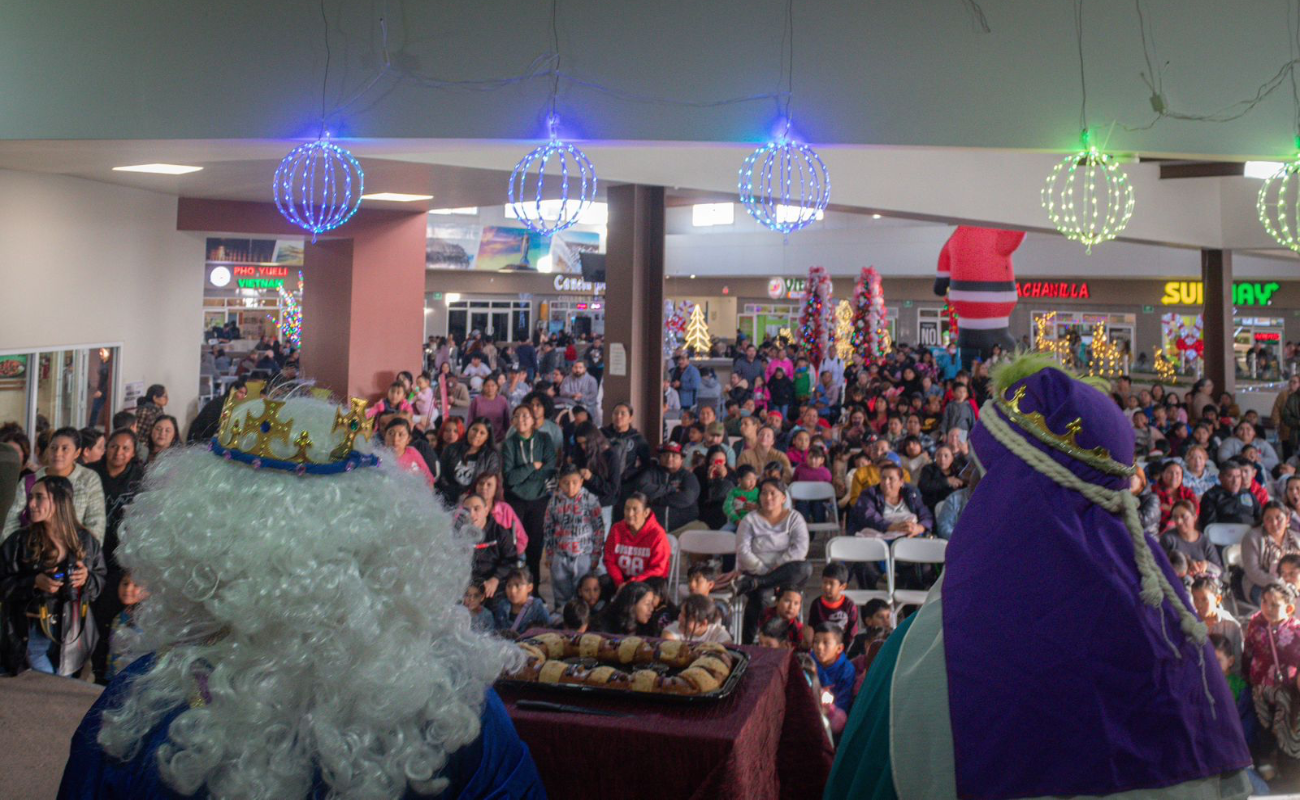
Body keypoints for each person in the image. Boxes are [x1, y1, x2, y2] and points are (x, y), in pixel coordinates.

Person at [828, 355, 1250, 799]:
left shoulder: (922, 659)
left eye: (979, 465)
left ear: (1013, 488)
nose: (965, 475)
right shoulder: (1178, 644)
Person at [0, 474, 106, 677]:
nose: (31, 504)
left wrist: (86, 579)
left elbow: (100, 582)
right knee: (43, 687)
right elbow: (2, 583)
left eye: (39, 497)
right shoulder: (19, 541)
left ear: (59, 500)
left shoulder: (86, 541)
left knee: (57, 691)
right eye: (30, 497)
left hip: (70, 634)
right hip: (29, 632)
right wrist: (33, 582)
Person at [733, 479, 811, 643]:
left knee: (805, 567)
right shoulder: (750, 520)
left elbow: (800, 549)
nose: (768, 497)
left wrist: (775, 569)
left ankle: (756, 582)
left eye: (773, 493)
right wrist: (763, 571)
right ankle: (749, 645)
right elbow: (743, 551)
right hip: (755, 570)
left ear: (783, 498)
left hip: (784, 575)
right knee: (760, 596)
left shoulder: (794, 518)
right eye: (764, 493)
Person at [3, 426, 106, 542]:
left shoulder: (88, 480)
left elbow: (96, 523)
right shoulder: (31, 481)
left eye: (65, 449)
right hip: (33, 552)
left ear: (77, 453)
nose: (57, 453)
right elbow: (11, 521)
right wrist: (17, 550)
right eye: (53, 448)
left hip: (74, 553)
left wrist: (82, 554)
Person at [1246, 582, 1300, 773]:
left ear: (1289, 608)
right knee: (1264, 725)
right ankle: (1266, 763)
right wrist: (1249, 678)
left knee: (1286, 726)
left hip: (1288, 692)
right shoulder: (1255, 624)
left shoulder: (1296, 631)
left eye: (1275, 605)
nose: (1268, 608)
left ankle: (1288, 765)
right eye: (1264, 601)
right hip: (1261, 687)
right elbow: (1248, 652)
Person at [503, 404, 557, 586]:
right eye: (517, 416)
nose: (521, 420)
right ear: (512, 422)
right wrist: (532, 466)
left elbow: (549, 467)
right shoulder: (509, 444)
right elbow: (510, 478)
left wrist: (524, 475)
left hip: (539, 498)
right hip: (515, 498)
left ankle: (533, 588)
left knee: (535, 545)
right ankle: (514, 586)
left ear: (534, 420)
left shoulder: (545, 439)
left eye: (525, 416)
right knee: (515, 544)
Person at [543, 467, 605, 610]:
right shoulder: (554, 501)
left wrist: (596, 555)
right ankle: (562, 617)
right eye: (565, 483)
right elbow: (548, 528)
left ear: (581, 482)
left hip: (583, 556)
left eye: (574, 482)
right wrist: (550, 554)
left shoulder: (590, 500)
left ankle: (582, 619)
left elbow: (599, 529)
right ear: (559, 483)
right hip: (560, 556)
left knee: (583, 591)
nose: (570, 487)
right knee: (560, 591)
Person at [625, 442, 700, 532]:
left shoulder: (688, 476)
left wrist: (655, 499)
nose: (669, 458)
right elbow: (642, 488)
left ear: (682, 459)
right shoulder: (651, 472)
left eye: (674, 456)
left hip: (683, 528)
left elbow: (686, 498)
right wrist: (671, 489)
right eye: (665, 455)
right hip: (653, 529)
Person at [603, 493, 670, 587]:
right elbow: (609, 560)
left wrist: (631, 584)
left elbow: (658, 569)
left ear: (646, 512)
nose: (630, 514)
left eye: (635, 510)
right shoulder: (616, 529)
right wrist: (620, 582)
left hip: (647, 580)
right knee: (601, 582)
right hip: (621, 579)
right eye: (627, 509)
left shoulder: (658, 534)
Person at [1242, 500, 1300, 605]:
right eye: (1268, 519)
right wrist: (1279, 582)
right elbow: (1253, 572)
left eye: (1279, 518)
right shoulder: (1252, 538)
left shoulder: (1296, 539)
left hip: (1294, 583)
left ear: (1287, 519)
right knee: (1278, 604)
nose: (1274, 523)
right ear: (1263, 520)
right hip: (1261, 585)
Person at [435, 419, 502, 506]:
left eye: (482, 433)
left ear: (487, 437)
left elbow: (489, 481)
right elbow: (441, 474)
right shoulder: (451, 449)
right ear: (468, 430)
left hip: (475, 500)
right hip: (448, 497)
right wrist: (454, 492)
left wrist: (469, 495)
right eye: (474, 429)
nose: (476, 434)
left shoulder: (491, 457)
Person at [1159, 500, 1222, 579]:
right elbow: (1160, 566)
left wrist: (1206, 565)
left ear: (1195, 517)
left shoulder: (1205, 543)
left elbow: (1219, 571)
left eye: (1184, 517)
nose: (1179, 521)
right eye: (1175, 517)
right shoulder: (1168, 539)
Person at [104, 571, 149, 680]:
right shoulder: (119, 617)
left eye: (136, 585)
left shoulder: (147, 621)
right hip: (115, 678)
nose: (128, 589)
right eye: (125, 583)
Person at [813, 622, 855, 734]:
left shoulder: (846, 670)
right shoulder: (810, 661)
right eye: (816, 641)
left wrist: (830, 710)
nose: (819, 647)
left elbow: (843, 704)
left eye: (826, 643)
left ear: (839, 648)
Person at [1190, 574, 1242, 664]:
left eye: (1204, 599)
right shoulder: (1190, 623)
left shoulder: (1231, 625)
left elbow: (1237, 660)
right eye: (1195, 599)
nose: (1199, 605)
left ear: (1217, 599)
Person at [1197, 460, 1260, 530]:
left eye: (1238, 476)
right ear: (1220, 478)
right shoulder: (1211, 496)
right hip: (1223, 537)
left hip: (1250, 536)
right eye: (1230, 476)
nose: (1235, 481)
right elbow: (1210, 526)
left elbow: (1260, 518)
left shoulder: (1248, 494)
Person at [807, 562, 859, 644]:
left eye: (831, 583)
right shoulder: (817, 604)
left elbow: (852, 634)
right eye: (825, 582)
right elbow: (812, 630)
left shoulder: (849, 605)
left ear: (842, 586)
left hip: (842, 648)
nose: (827, 586)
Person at [491, 567, 550, 636]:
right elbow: (496, 632)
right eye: (509, 585)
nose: (512, 591)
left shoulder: (538, 608)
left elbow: (547, 634)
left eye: (517, 586)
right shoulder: (502, 605)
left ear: (529, 588)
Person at [384, 417, 435, 488]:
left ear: (408, 439)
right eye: (391, 433)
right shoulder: (379, 456)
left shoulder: (413, 452)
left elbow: (428, 479)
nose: (395, 439)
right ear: (385, 436)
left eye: (401, 435)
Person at [663, 593, 732, 643]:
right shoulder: (671, 632)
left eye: (686, 617)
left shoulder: (720, 637)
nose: (679, 618)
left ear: (703, 623)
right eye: (681, 613)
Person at [917, 444, 963, 511]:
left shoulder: (957, 470)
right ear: (935, 457)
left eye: (946, 456)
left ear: (952, 458)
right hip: (933, 506)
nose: (942, 459)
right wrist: (946, 481)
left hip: (955, 505)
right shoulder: (928, 469)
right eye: (938, 455)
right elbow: (923, 486)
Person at [469, 375, 511, 442]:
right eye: (487, 386)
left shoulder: (502, 400)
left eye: (493, 385)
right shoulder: (477, 401)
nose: (490, 388)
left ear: (497, 386)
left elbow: (507, 421)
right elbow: (470, 420)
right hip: (480, 438)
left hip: (499, 438)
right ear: (483, 386)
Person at [133, 384, 167, 454]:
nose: (167, 399)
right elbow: (138, 434)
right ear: (155, 398)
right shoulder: (145, 412)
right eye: (165, 396)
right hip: (144, 449)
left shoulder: (158, 410)